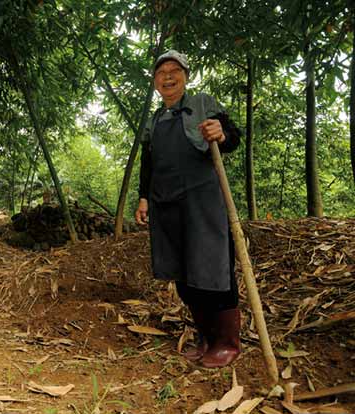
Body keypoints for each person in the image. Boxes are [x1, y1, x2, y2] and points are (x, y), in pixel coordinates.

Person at [135, 50, 242, 368]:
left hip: (202, 201)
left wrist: (221, 135)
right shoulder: (154, 119)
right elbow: (148, 162)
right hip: (166, 203)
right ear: (155, 82)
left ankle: (227, 342)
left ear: (186, 75)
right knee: (182, 272)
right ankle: (206, 336)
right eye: (161, 72)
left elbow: (233, 137)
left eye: (174, 70)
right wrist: (143, 198)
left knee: (213, 268)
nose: (168, 76)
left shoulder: (204, 104)